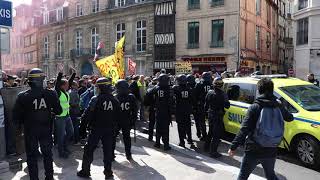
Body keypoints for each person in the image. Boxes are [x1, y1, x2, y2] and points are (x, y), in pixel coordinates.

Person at [228, 78, 294, 180]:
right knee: (270, 175)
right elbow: (290, 118)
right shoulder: (278, 105)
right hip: (271, 148)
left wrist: (233, 147)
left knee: (243, 176)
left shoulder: (255, 107)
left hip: (253, 149)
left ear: (259, 90)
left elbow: (244, 129)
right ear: (272, 90)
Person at [13, 68, 62, 180]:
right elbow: (59, 111)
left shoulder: (22, 96)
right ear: (41, 80)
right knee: (47, 155)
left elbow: (16, 117)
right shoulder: (51, 94)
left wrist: (20, 128)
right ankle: (49, 177)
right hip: (46, 129)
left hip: (30, 131)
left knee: (31, 156)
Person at [77, 77, 120, 179]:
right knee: (108, 151)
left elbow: (87, 115)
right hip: (110, 130)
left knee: (88, 150)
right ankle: (108, 172)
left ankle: (85, 171)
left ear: (100, 88)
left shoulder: (95, 99)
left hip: (96, 129)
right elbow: (118, 116)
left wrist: (82, 129)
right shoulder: (114, 100)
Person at [204, 77, 230, 158]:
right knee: (216, 135)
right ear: (221, 85)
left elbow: (206, 105)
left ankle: (206, 147)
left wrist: (206, 114)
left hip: (210, 114)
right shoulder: (223, 94)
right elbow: (227, 106)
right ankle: (213, 152)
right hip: (218, 116)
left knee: (210, 132)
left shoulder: (209, 92)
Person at [113, 79, 138, 161]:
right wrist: (133, 120)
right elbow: (135, 110)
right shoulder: (131, 96)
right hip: (126, 120)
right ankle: (128, 154)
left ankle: (111, 154)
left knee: (113, 138)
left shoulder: (115, 96)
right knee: (126, 138)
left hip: (117, 121)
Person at [148, 73, 174, 151]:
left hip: (158, 110)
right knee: (165, 128)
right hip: (167, 111)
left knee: (158, 127)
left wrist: (153, 103)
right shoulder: (170, 89)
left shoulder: (156, 88)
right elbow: (172, 101)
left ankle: (157, 143)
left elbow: (148, 94)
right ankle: (166, 145)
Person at [55, 72, 75, 158]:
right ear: (62, 85)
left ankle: (65, 146)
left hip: (67, 116)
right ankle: (61, 151)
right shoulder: (58, 92)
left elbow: (69, 82)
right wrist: (59, 75)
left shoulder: (65, 91)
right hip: (60, 117)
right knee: (61, 135)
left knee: (71, 132)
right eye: (66, 84)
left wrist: (73, 73)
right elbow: (57, 84)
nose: (68, 85)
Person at [173, 74, 194, 148]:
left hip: (179, 109)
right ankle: (190, 140)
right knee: (188, 125)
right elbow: (192, 99)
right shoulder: (189, 88)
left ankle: (182, 141)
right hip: (187, 109)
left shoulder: (176, 88)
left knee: (180, 126)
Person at [193, 72, 213, 141]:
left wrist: (195, 105)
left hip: (202, 105)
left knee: (202, 121)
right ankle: (210, 135)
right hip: (211, 105)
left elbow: (195, 95)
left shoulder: (199, 84)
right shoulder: (212, 84)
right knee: (211, 122)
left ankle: (204, 135)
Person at [69, 80, 81, 145]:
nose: (78, 86)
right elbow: (72, 103)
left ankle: (74, 140)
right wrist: (78, 103)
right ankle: (76, 141)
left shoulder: (74, 92)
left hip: (74, 111)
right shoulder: (72, 93)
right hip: (74, 112)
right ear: (73, 86)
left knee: (75, 126)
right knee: (75, 127)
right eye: (76, 85)